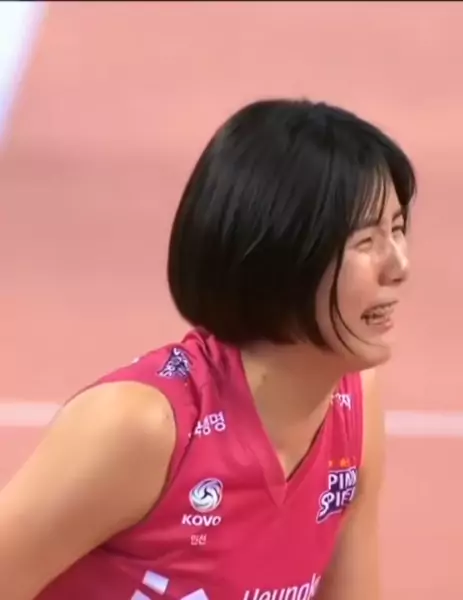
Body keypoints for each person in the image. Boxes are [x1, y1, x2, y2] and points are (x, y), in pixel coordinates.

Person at [0, 98, 415, 600]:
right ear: (280, 257)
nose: (399, 265)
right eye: (366, 241)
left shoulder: (354, 403)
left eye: (397, 230)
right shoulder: (142, 428)